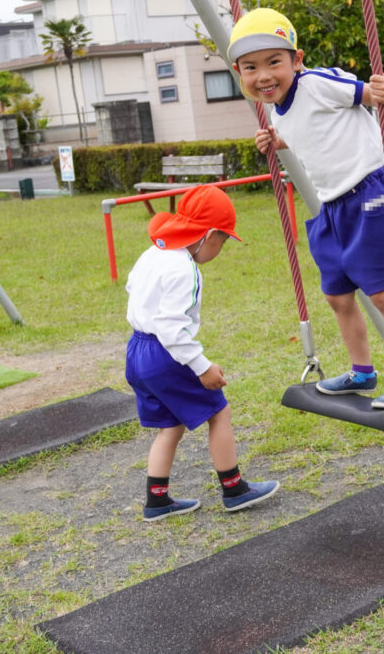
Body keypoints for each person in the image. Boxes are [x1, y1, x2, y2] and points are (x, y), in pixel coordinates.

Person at [228, 7, 384, 409]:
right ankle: (362, 372)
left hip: (371, 192)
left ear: (296, 60)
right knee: (337, 295)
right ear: (239, 73)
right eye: (251, 67)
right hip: (331, 206)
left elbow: (376, 95)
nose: (263, 75)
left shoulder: (318, 83)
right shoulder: (275, 109)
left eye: (274, 62)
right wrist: (276, 141)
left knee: (383, 293)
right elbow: (309, 129)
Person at [125, 185, 279, 521]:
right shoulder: (185, 269)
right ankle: (235, 489)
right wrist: (201, 366)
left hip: (136, 350)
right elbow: (171, 329)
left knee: (171, 424)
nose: (220, 249)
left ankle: (157, 500)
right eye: (223, 241)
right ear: (208, 235)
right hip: (165, 354)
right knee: (219, 412)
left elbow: (131, 286)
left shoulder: (153, 253)